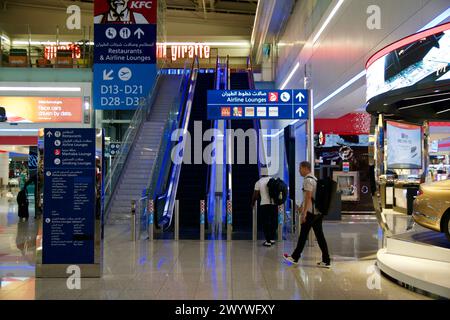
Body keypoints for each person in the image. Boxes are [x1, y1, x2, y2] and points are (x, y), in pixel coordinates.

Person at [283, 161, 331, 268]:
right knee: (320, 236)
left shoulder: (308, 180)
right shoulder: (315, 179)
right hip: (318, 213)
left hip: (311, 213)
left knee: (303, 235)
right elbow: (309, 197)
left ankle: (295, 257)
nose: (299, 171)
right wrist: (301, 206)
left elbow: (308, 197)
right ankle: (326, 260)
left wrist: (304, 213)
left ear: (305, 168)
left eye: (300, 168)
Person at [252, 167, 277, 247]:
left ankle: (268, 241)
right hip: (273, 204)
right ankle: (272, 238)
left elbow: (255, 195)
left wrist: (252, 203)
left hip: (264, 204)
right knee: (273, 221)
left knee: (265, 222)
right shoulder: (273, 180)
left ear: (261, 173)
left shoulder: (259, 182)